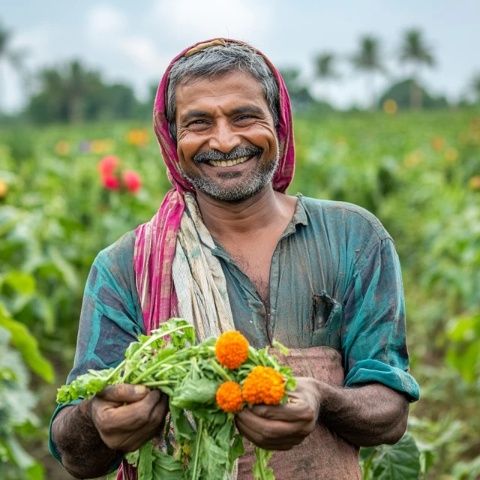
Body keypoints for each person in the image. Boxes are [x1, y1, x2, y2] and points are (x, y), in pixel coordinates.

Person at [50, 38, 420, 480]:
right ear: (173, 139)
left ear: (279, 124)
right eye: (199, 123)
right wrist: (99, 419)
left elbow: (390, 412)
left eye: (245, 117)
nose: (224, 141)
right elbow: (74, 454)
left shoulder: (354, 239)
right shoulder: (127, 267)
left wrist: (322, 399)